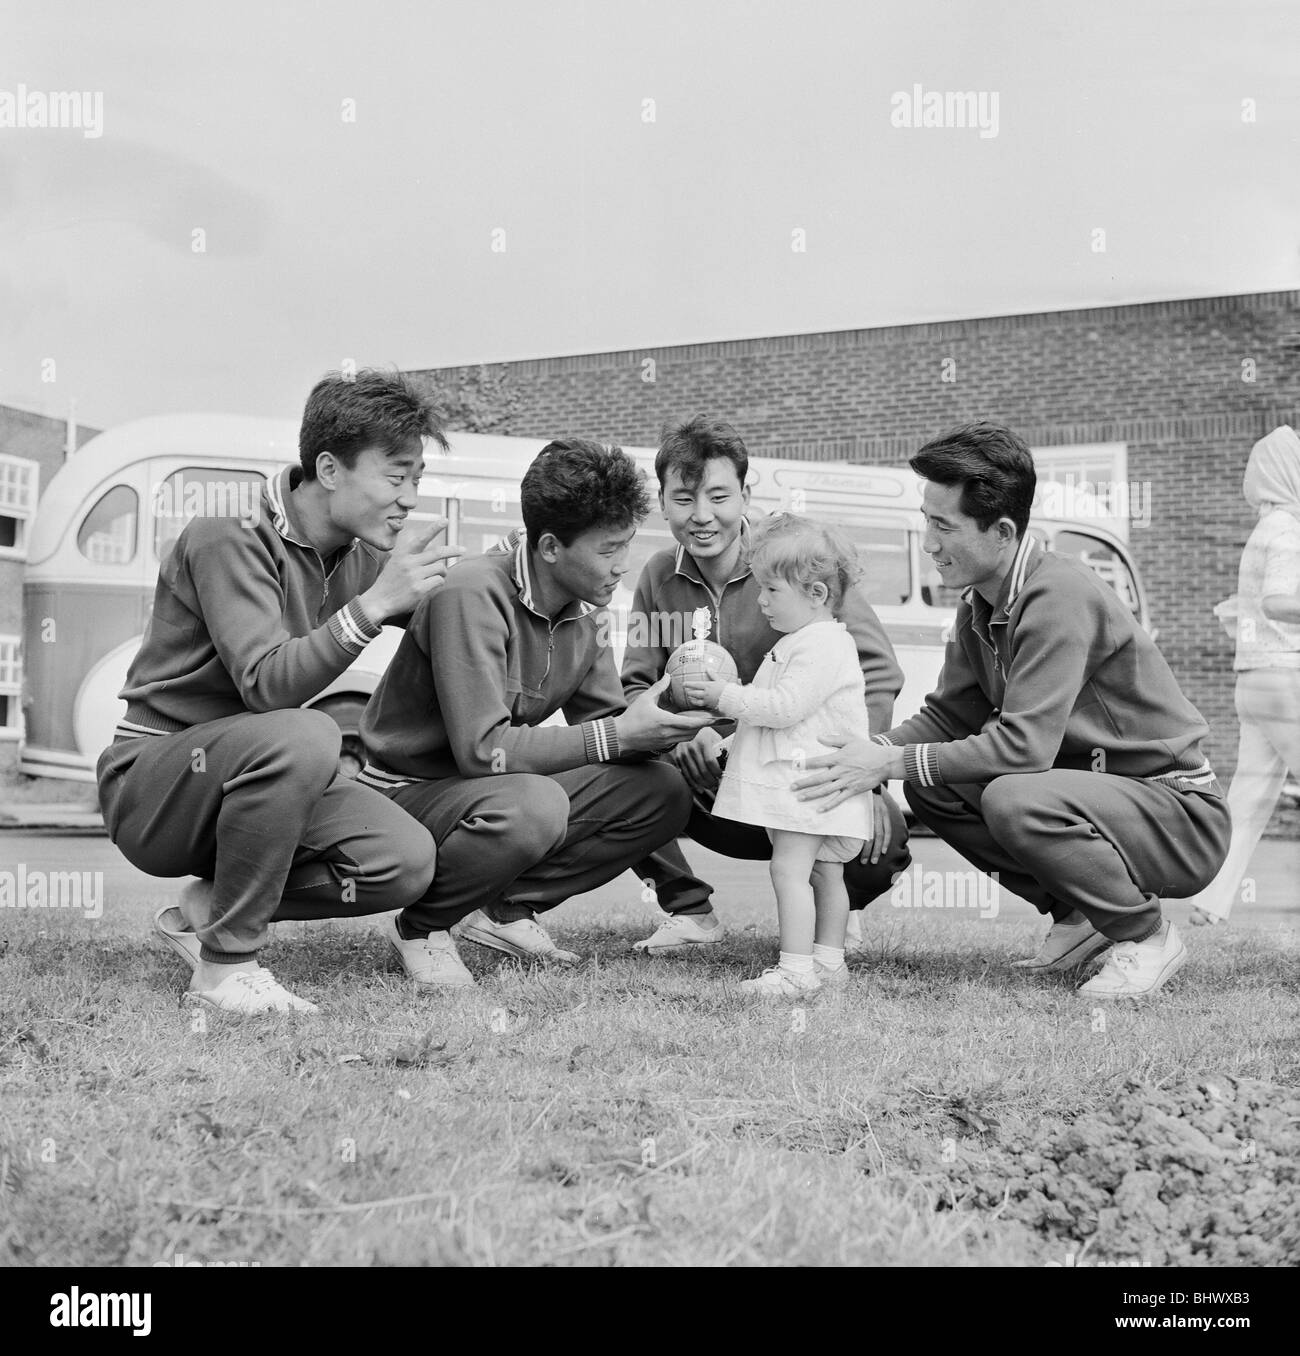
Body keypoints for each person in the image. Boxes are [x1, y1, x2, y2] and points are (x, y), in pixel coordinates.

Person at [793, 421, 1231, 998]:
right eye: (927, 521)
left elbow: (1025, 748)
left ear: (1002, 531)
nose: (928, 544)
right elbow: (949, 718)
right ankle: (1078, 921)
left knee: (1011, 794)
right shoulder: (980, 602)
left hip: (1179, 814)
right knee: (934, 785)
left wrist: (888, 766)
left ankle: (1145, 936)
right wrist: (869, 752)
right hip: (1099, 798)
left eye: (943, 526)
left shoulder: (1059, 595)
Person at [97, 369, 463, 1014]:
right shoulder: (228, 534)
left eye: (418, 480)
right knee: (309, 732)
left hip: (252, 776)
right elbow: (266, 684)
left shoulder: (357, 553)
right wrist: (375, 606)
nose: (410, 499)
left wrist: (526, 578)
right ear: (328, 468)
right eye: (396, 477)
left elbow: (451, 608)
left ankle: (212, 908)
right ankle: (225, 968)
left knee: (402, 860)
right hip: (156, 780)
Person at [357, 438, 715, 990]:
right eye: (608, 550)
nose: (623, 566)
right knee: (533, 805)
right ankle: (423, 926)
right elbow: (485, 752)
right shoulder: (470, 593)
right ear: (550, 547)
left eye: (627, 546)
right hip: (405, 791)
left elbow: (613, 732)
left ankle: (504, 909)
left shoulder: (589, 613)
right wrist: (620, 734)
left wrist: (678, 718)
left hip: (487, 792)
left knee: (660, 789)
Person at [620, 415, 910, 957]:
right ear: (662, 502)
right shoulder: (657, 578)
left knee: (882, 839)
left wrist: (863, 777)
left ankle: (830, 920)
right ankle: (690, 911)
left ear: (746, 494)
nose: (702, 516)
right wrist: (683, 738)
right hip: (710, 778)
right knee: (626, 776)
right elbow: (636, 686)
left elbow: (876, 674)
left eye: (719, 496)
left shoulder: (793, 559)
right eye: (683, 499)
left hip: (803, 773)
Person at [683, 514, 873, 995]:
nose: (761, 600)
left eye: (771, 590)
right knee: (825, 872)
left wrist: (723, 696)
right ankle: (829, 962)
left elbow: (784, 709)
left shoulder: (819, 646)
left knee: (789, 869)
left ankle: (796, 970)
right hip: (817, 781)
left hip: (806, 784)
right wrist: (732, 742)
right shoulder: (808, 641)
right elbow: (773, 720)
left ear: (816, 594)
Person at [1185, 426, 1300, 926]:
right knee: (1251, 794)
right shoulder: (1289, 529)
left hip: (1252, 682)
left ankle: (1210, 898)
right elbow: (1277, 600)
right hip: (1285, 678)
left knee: (1250, 795)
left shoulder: (1263, 530)